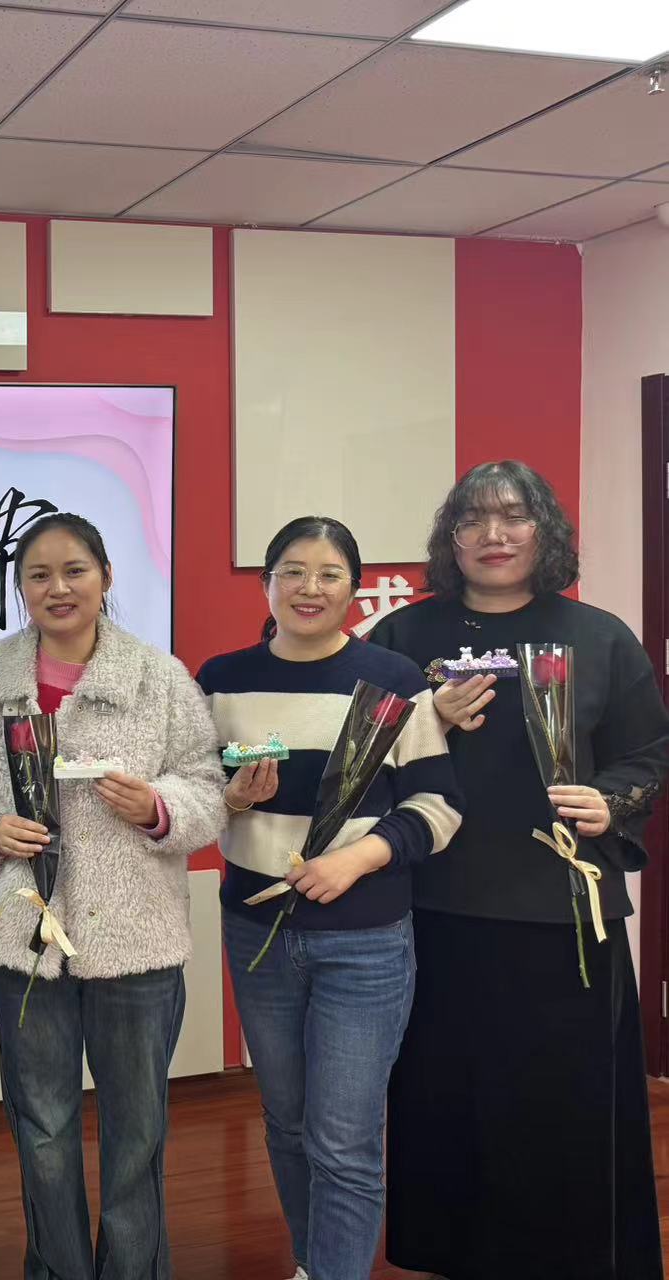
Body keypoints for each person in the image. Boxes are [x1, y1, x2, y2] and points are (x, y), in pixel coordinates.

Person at [370, 460, 669, 1279]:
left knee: (562, 1103)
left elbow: (648, 753)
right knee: (444, 1097)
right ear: (449, 537)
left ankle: (573, 1259)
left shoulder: (599, 636)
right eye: (472, 519)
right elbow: (352, 761)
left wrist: (613, 800)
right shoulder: (402, 638)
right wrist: (422, 718)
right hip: (434, 908)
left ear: (546, 531)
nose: (492, 535)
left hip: (562, 912)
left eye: (512, 516)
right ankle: (453, 1254)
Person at [0, 512, 226, 1280]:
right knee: (42, 1130)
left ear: (105, 577)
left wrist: (157, 807)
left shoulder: (158, 678)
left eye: (74, 571)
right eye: (38, 575)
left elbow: (206, 786)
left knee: (137, 1133)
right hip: (24, 937)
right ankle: (56, 1269)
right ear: (20, 587)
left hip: (136, 942)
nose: (57, 588)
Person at [196, 516, 462, 1280]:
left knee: (342, 1139)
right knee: (286, 1123)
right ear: (265, 583)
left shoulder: (392, 679)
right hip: (257, 935)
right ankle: (314, 1263)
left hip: (364, 938)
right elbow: (190, 802)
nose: (308, 588)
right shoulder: (220, 680)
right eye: (291, 571)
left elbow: (438, 806)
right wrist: (232, 799)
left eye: (328, 574)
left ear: (354, 589)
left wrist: (355, 861)